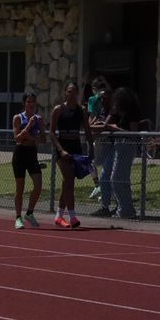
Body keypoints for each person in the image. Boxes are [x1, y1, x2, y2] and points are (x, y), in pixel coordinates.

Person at [91, 87, 146, 220]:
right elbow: (103, 125)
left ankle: (126, 210)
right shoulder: (117, 111)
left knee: (118, 179)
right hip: (118, 144)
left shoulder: (132, 112)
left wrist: (113, 128)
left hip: (127, 145)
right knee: (115, 178)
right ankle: (123, 208)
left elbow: (133, 134)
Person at [49, 81, 93, 228]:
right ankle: (73, 216)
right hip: (62, 148)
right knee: (69, 179)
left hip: (76, 148)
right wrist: (61, 150)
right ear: (65, 93)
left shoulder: (82, 110)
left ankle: (59, 216)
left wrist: (91, 150)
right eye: (69, 91)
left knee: (67, 181)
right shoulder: (58, 110)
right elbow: (52, 133)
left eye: (74, 92)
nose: (72, 94)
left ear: (78, 93)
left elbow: (87, 130)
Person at [10, 93, 45, 229]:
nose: (31, 104)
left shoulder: (39, 119)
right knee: (20, 188)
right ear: (24, 103)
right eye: (28, 101)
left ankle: (29, 213)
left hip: (32, 154)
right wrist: (29, 126)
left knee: (38, 186)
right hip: (20, 154)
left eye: (33, 101)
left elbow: (43, 139)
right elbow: (17, 138)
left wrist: (31, 138)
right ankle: (18, 217)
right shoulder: (18, 118)